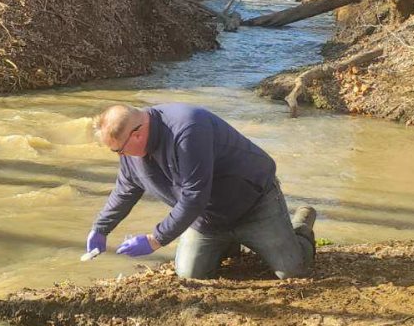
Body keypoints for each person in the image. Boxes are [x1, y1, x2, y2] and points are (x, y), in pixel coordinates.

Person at [85, 103, 316, 279]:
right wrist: (101, 228)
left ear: (137, 134)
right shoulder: (131, 153)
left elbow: (194, 195)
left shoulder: (187, 128)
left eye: (118, 150)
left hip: (253, 204)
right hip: (207, 219)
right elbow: (126, 189)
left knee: (292, 271)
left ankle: (301, 225)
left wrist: (155, 239)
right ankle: (227, 245)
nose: (120, 156)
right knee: (190, 275)